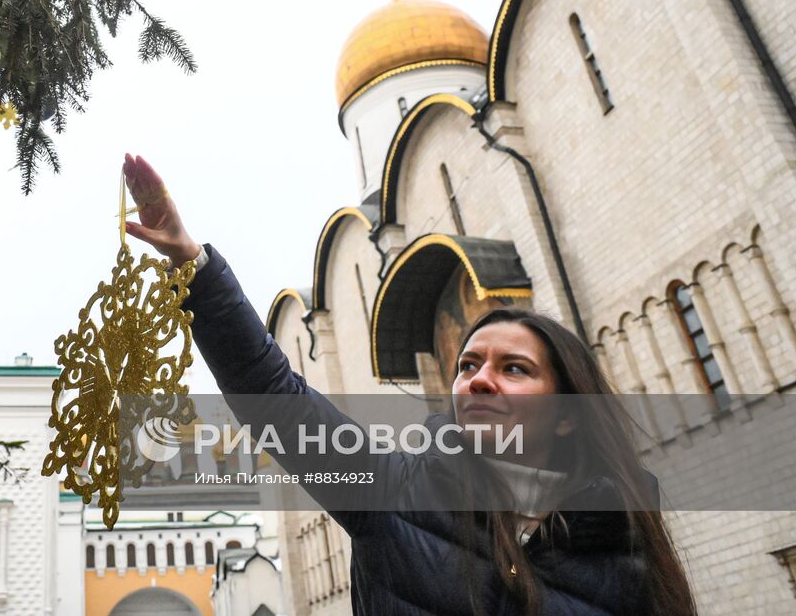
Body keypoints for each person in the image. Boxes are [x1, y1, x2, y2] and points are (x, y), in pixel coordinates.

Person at [121, 153, 696, 616]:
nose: (480, 382)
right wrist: (192, 269)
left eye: (513, 369)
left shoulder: (621, 546)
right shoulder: (394, 493)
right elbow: (274, 398)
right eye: (468, 366)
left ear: (570, 410)